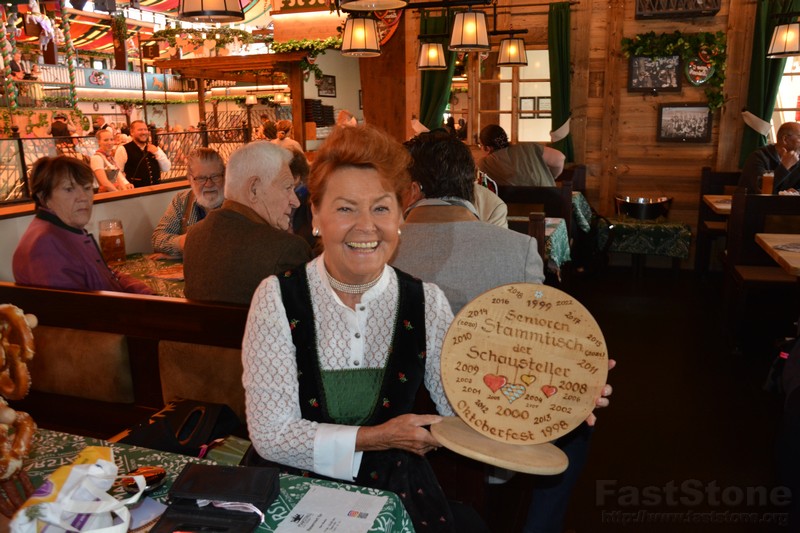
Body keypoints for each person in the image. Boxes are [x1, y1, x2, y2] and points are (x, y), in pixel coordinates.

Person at [243, 125, 490, 532]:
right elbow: (270, 435)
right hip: (295, 488)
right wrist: (376, 438)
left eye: (380, 208)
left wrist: (545, 401)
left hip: (398, 492)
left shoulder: (426, 301)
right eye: (345, 208)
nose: (365, 226)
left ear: (400, 216)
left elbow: (463, 408)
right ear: (316, 215)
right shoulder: (276, 298)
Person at [392, 130, 614, 533]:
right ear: (472, 186)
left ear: (410, 190)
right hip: (491, 435)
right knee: (578, 435)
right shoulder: (517, 249)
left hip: (394, 428)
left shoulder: (374, 252)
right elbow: (535, 346)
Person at [183, 142, 312, 305]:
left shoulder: (194, 236)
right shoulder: (287, 249)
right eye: (287, 188)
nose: (295, 202)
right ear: (254, 189)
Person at [12, 156, 152, 294]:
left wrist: (143, 291)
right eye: (69, 189)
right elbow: (75, 311)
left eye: (86, 188)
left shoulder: (63, 228)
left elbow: (106, 273)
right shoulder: (45, 245)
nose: (83, 197)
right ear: (43, 197)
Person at [152, 148, 225, 257]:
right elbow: (157, 238)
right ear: (190, 179)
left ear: (225, 176)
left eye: (215, 176)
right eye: (201, 178)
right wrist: (182, 243)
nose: (209, 184)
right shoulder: (182, 200)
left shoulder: (238, 202)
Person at [477, 124, 565, 186]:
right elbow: (560, 158)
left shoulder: (484, 164)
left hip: (511, 210)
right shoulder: (529, 148)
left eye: (480, 145)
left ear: (487, 148)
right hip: (548, 204)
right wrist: (551, 176)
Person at [739, 121, 800, 194]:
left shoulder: (798, 159)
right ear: (785, 139)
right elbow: (761, 188)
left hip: (785, 204)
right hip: (754, 204)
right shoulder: (758, 157)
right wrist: (784, 167)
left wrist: (796, 192)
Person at [114, 120, 171, 187]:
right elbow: (117, 172)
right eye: (140, 130)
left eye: (145, 129)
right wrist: (126, 183)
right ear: (132, 132)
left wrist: (157, 152)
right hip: (136, 191)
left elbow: (166, 168)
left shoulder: (155, 148)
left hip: (156, 190)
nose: (144, 132)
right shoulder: (123, 149)